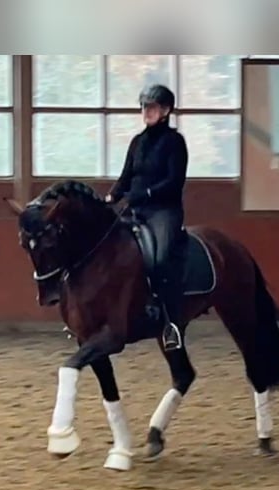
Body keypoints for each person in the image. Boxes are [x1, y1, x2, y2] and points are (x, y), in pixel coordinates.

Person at [105, 83, 189, 351]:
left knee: (161, 258)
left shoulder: (175, 142)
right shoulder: (137, 142)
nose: (146, 111)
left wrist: (146, 194)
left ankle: (170, 323)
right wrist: (110, 198)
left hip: (164, 212)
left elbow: (174, 181)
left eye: (151, 107)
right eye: (144, 106)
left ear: (165, 110)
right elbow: (125, 176)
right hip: (135, 210)